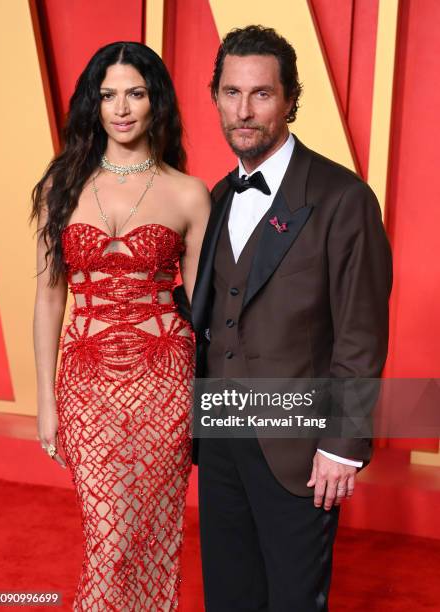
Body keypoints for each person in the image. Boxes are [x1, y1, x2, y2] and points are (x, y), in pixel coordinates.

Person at [189, 26, 393, 611]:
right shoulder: (219, 195)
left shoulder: (342, 197)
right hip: (220, 437)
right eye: (231, 93)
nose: (243, 110)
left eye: (261, 94)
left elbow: (360, 334)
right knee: (229, 596)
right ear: (216, 98)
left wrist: (343, 444)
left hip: (299, 447)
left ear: (290, 100)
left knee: (294, 601)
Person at [31, 41, 209, 610]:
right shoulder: (62, 187)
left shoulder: (188, 192)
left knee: (149, 537)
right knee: (109, 540)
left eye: (135, 93)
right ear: (94, 104)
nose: (122, 108)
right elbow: (48, 299)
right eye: (109, 95)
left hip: (164, 384)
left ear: (156, 100)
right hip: (84, 386)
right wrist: (46, 399)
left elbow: (206, 311)